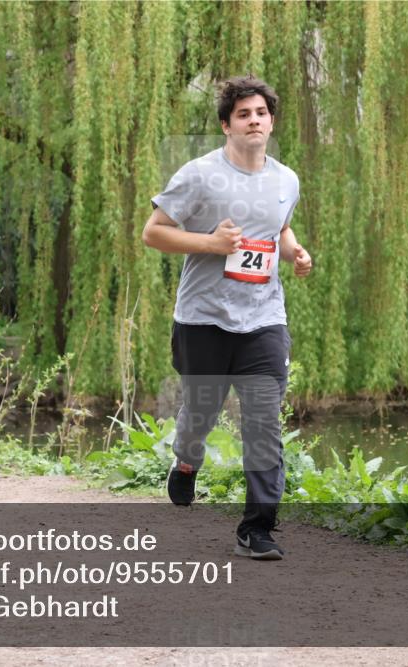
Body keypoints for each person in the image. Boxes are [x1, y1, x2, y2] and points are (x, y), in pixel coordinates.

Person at [142, 75, 313, 560]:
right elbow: (153, 233)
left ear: (271, 121)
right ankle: (187, 460)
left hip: (263, 320)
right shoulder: (199, 175)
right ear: (226, 125)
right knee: (200, 412)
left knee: (263, 422)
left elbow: (279, 227)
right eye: (243, 114)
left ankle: (257, 527)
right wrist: (211, 244)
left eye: (261, 112)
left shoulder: (286, 179)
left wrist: (295, 251)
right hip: (203, 319)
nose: (254, 120)